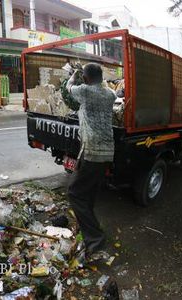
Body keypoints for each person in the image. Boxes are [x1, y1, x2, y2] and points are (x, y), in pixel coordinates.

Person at [66, 63, 116, 259]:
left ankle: (95, 237)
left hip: (92, 151)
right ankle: (88, 227)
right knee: (89, 192)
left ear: (86, 79)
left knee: (74, 193)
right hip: (106, 152)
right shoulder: (110, 94)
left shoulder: (85, 91)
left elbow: (68, 87)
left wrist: (74, 74)